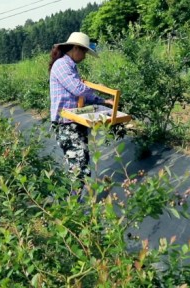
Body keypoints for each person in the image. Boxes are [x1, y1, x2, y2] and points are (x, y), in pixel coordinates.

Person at [49, 32, 113, 199]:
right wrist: (97, 88)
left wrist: (103, 102)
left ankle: (71, 206)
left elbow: (81, 96)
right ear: (75, 48)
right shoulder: (62, 65)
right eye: (84, 52)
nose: (84, 56)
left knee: (79, 166)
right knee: (80, 169)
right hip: (65, 124)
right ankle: (71, 207)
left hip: (74, 122)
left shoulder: (70, 67)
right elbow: (78, 89)